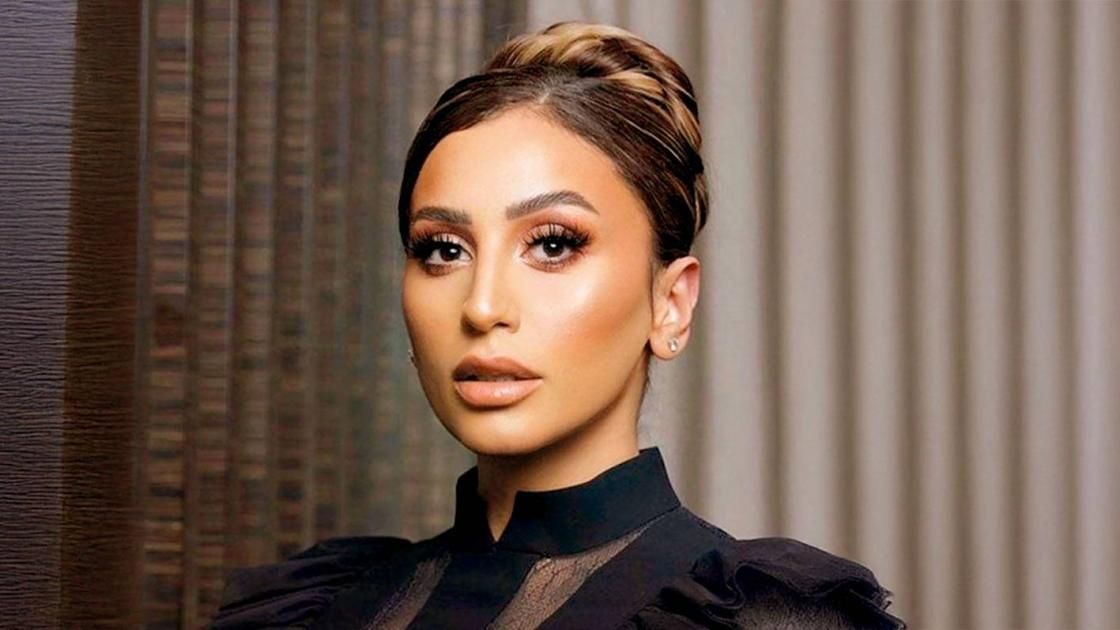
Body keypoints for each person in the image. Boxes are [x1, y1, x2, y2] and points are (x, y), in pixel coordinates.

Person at [212, 21, 904, 629]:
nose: (482, 306)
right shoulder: (318, 608)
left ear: (671, 302)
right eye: (443, 250)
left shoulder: (759, 618)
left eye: (552, 243)